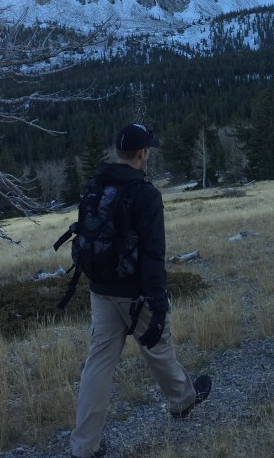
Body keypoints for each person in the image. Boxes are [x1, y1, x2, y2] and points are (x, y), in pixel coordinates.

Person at [70, 123, 211, 458]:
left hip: (100, 288)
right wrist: (156, 299)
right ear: (144, 153)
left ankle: (83, 448)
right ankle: (181, 401)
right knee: (157, 346)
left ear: (119, 152)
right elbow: (152, 253)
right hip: (134, 291)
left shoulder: (96, 184)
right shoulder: (146, 194)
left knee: (98, 364)